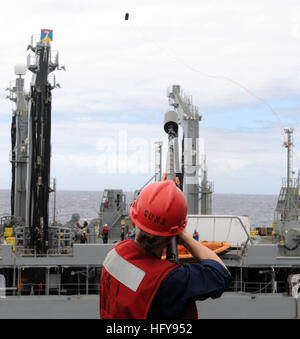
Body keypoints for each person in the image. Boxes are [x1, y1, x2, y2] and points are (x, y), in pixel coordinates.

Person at [99, 180, 231, 319]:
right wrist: (184, 235)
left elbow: (143, 232)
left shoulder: (116, 252)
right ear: (173, 235)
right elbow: (221, 274)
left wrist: (162, 196)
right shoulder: (168, 280)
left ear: (134, 220)